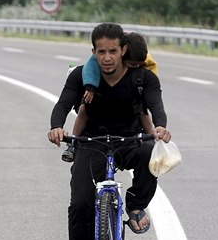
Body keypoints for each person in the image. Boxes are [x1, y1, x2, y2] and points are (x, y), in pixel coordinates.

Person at [47, 22, 172, 240]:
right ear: (93, 51)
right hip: (92, 142)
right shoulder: (82, 76)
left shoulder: (143, 77)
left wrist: (160, 126)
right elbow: (63, 103)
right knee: (80, 203)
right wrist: (56, 126)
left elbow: (155, 105)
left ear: (123, 49)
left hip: (130, 138)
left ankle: (137, 204)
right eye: (101, 51)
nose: (107, 58)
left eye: (113, 51)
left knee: (149, 153)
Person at [61, 32, 157, 163]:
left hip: (131, 91)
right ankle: (72, 143)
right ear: (122, 55)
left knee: (141, 107)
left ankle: (153, 137)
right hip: (95, 84)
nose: (135, 68)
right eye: (132, 65)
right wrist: (91, 87)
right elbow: (90, 69)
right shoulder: (103, 58)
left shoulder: (143, 60)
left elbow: (150, 82)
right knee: (85, 108)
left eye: (138, 65)